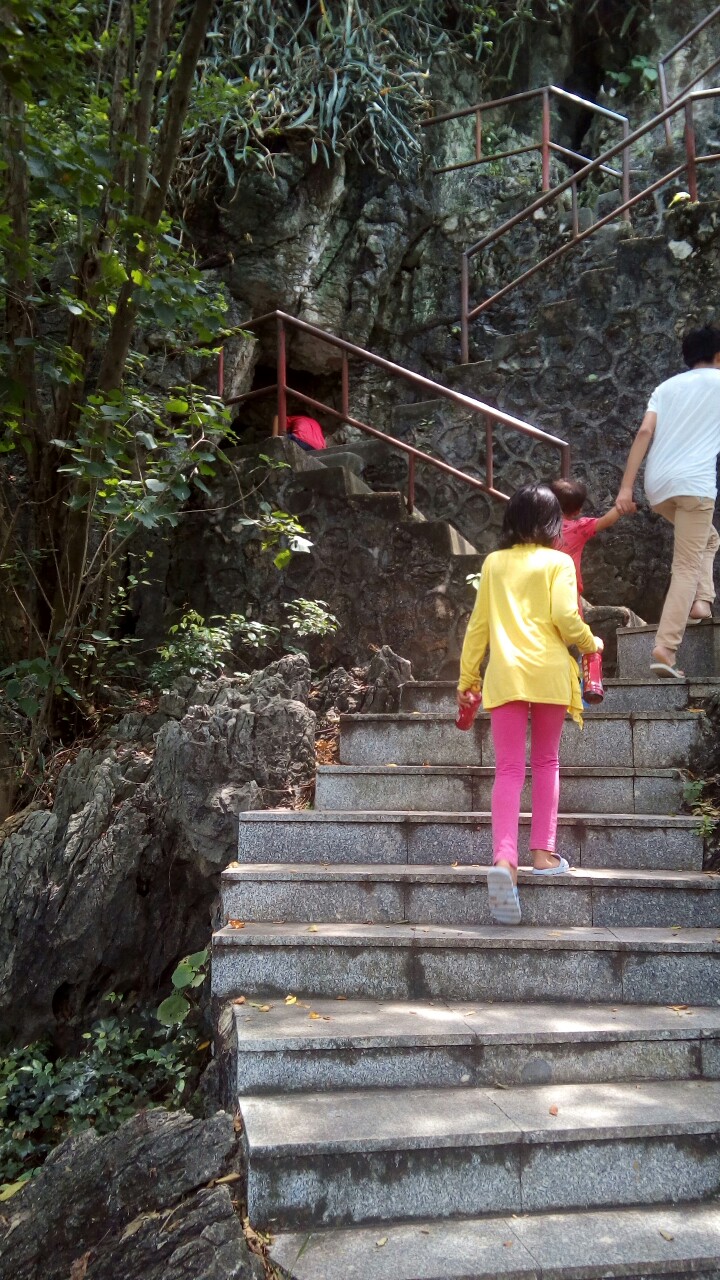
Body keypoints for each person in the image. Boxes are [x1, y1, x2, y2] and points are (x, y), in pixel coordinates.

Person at [457, 483, 603, 926]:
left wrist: (467, 679)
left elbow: (478, 627)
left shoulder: (494, 563)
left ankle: (504, 860)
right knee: (546, 762)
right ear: (553, 523)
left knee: (507, 769)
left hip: (506, 677)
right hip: (550, 675)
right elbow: (564, 616)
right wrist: (590, 640)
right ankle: (542, 854)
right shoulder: (558, 561)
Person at [615, 325, 720, 679]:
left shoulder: (665, 387)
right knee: (687, 565)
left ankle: (703, 601)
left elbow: (645, 432)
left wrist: (625, 489)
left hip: (657, 488)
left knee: (709, 538)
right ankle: (665, 648)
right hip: (695, 487)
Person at [550, 478, 635, 612]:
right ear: (577, 511)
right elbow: (605, 520)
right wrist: (622, 507)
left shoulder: (538, 526)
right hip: (568, 587)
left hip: (540, 584)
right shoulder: (579, 528)